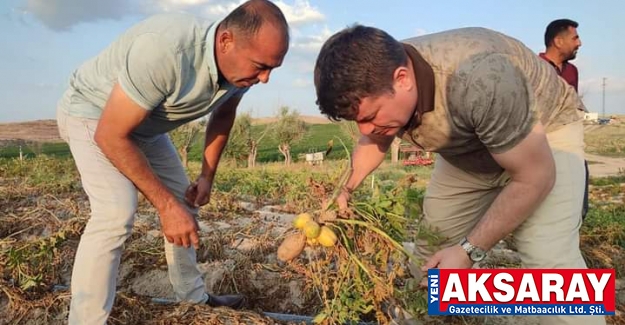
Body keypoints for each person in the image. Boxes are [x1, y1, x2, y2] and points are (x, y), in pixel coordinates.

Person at [314, 25, 604, 325]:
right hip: (470, 148)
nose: (365, 130)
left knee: (549, 261)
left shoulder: (479, 75)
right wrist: (345, 189)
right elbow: (375, 140)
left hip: (544, 137)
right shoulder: (380, 76)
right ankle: (428, 318)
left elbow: (535, 177)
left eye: (370, 117)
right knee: (432, 251)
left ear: (402, 79)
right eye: (357, 120)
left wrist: (469, 251)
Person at [55, 1, 289, 324]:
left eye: (272, 69)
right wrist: (165, 208)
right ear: (226, 41)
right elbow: (110, 134)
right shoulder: (166, 51)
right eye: (261, 66)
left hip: (144, 126)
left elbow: (223, 115)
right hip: (93, 115)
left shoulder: (241, 72)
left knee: (184, 197)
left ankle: (194, 300)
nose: (265, 79)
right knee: (116, 211)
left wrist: (206, 177)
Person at [539, 18, 590, 220]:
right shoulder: (537, 66)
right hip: (541, 145)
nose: (579, 43)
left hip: (567, 143)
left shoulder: (572, 71)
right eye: (575, 38)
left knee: (577, 198)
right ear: (558, 41)